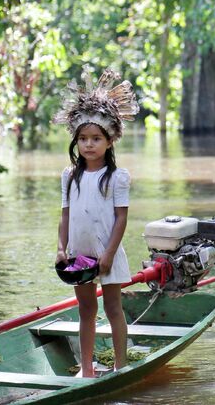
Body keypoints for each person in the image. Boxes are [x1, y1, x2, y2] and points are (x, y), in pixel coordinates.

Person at [53, 68, 139, 378]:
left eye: (96, 138)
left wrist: (110, 254)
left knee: (113, 308)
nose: (89, 144)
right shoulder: (69, 175)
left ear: (111, 140)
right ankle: (86, 368)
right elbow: (65, 215)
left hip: (107, 252)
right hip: (79, 254)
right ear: (76, 141)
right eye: (84, 139)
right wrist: (62, 249)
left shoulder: (117, 177)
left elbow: (121, 218)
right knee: (86, 310)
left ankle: (121, 364)